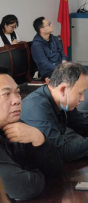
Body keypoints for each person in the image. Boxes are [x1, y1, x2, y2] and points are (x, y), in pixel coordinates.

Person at [20, 62, 88, 162]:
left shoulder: (62, 101)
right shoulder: (38, 109)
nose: (83, 98)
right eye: (80, 93)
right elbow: (60, 151)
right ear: (63, 90)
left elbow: (82, 123)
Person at [0, 69, 63, 201]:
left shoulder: (18, 127)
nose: (17, 100)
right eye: (6, 94)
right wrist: (39, 173)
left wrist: (39, 139)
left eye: (17, 92)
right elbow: (24, 188)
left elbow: (55, 170)